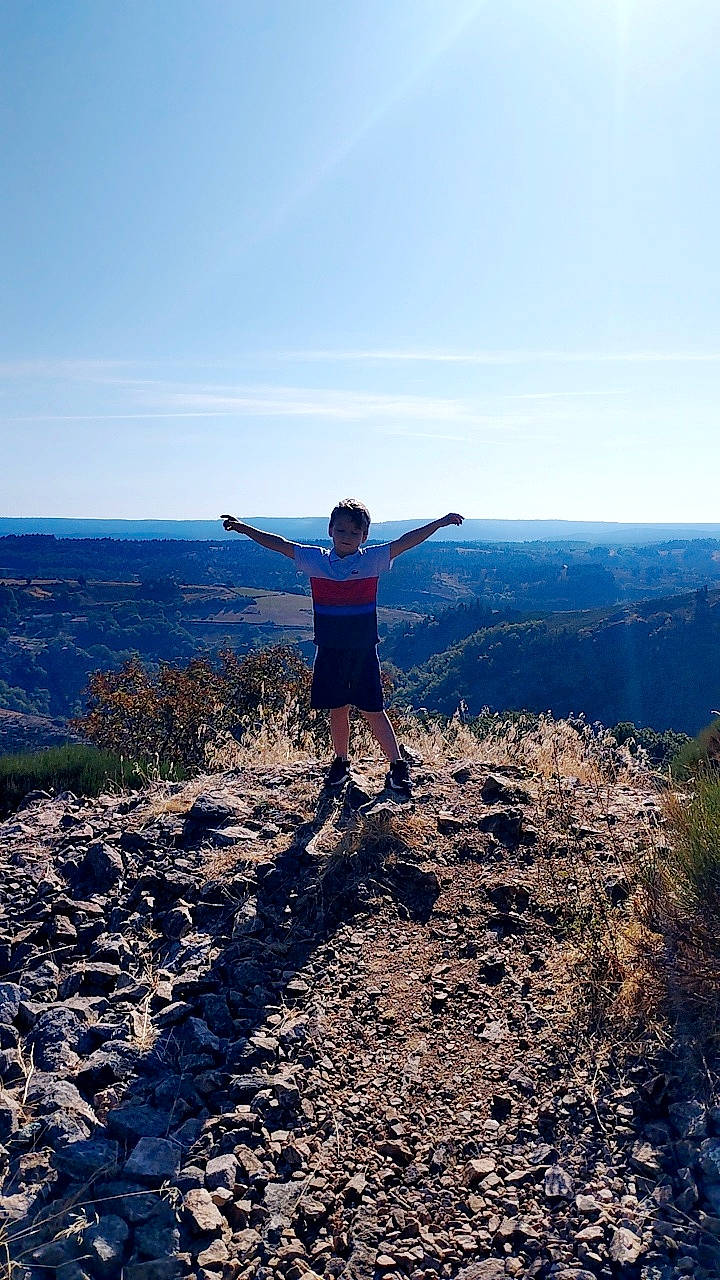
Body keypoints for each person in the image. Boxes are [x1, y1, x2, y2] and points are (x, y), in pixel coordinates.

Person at [221, 500, 463, 796]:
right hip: (330, 648)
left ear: (365, 536)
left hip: (362, 650)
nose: (347, 536)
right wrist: (245, 529)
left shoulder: (372, 559)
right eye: (341, 530)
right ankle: (341, 762)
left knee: (374, 709)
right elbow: (279, 544)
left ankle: (397, 766)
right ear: (330, 530)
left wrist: (439, 522)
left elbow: (406, 541)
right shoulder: (315, 560)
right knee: (337, 708)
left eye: (354, 532)